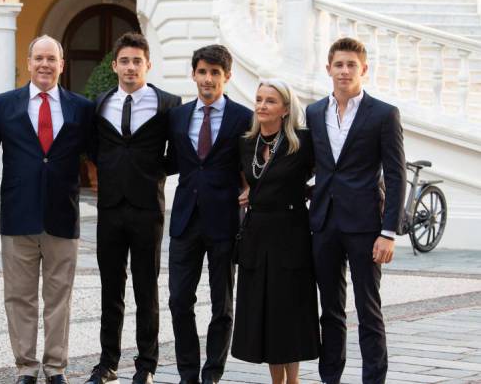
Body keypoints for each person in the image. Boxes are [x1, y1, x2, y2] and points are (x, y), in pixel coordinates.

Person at [0, 35, 94, 384]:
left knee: (58, 297)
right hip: (18, 215)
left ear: (62, 65)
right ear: (29, 62)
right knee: (19, 297)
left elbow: (99, 157)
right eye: (39, 58)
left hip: (63, 214)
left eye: (52, 58)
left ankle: (56, 367)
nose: (45, 64)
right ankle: (26, 367)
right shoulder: (4, 105)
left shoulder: (81, 107)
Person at [306, 37, 406, 384]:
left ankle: (373, 379)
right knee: (329, 311)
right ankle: (329, 377)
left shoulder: (383, 114)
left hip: (366, 226)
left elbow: (395, 176)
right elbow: (314, 167)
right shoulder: (314, 112)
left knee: (368, 310)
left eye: (352, 65)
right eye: (339, 64)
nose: (345, 71)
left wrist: (388, 232)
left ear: (364, 69)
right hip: (324, 224)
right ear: (329, 68)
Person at [84, 32, 181, 384]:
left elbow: (178, 152)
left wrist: (151, 171)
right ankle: (107, 362)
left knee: (146, 289)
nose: (130, 67)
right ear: (114, 65)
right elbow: (94, 149)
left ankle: (146, 365)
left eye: (137, 61)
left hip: (147, 209)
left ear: (148, 65)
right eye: (124, 61)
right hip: (109, 208)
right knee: (111, 289)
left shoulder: (168, 103)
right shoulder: (99, 103)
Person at [165, 44, 252, 384]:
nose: (208, 78)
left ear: (227, 77)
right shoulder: (178, 116)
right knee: (178, 301)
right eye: (202, 71)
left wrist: (252, 189)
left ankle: (212, 373)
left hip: (224, 221)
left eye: (215, 73)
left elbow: (254, 164)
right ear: (193, 75)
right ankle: (188, 373)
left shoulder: (243, 118)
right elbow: (168, 160)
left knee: (223, 304)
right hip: (185, 220)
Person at [231, 79, 320, 384]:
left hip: (291, 234)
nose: (261, 105)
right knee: (264, 310)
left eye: (270, 100)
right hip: (256, 234)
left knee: (288, 312)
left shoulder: (303, 143)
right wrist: (246, 190)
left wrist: (309, 194)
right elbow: (242, 178)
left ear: (285, 109)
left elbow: (329, 175)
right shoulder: (246, 142)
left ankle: (292, 381)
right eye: (258, 99)